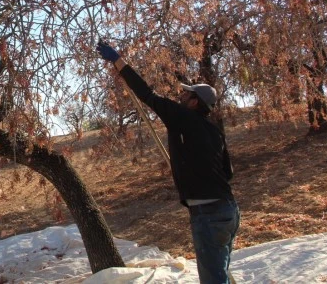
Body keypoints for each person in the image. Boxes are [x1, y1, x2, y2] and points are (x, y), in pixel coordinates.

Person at [97, 40, 239, 284]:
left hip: (209, 215)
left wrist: (118, 61)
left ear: (195, 103)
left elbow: (147, 94)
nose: (182, 95)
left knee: (214, 280)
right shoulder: (214, 131)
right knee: (220, 273)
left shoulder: (183, 117)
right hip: (228, 211)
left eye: (187, 93)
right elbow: (228, 172)